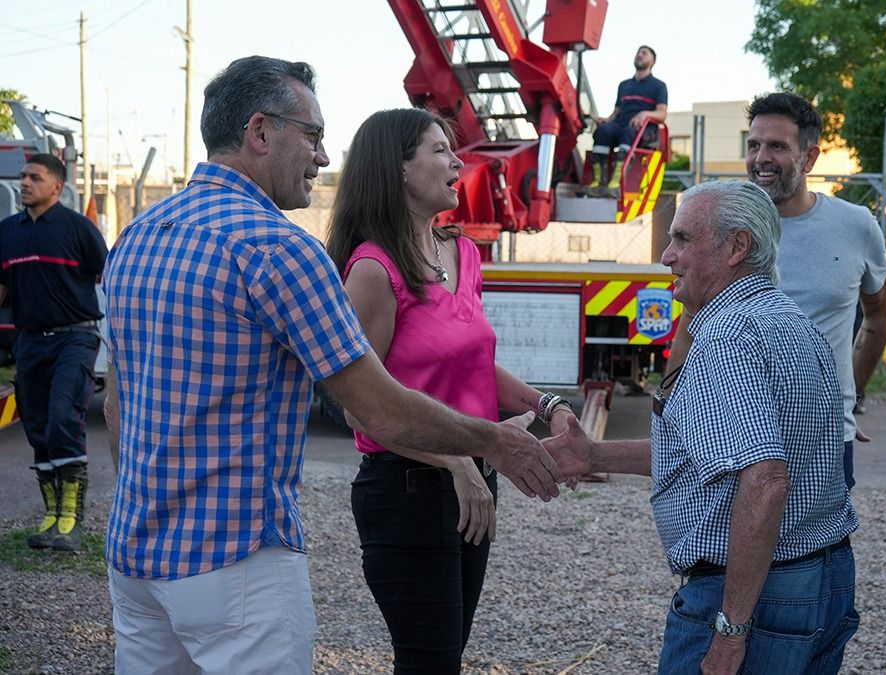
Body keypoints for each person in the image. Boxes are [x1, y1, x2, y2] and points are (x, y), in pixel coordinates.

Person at [102, 56, 562, 674]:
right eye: (313, 136)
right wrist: (493, 443)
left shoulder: (136, 237)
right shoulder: (279, 247)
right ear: (260, 132)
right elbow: (376, 408)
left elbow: (117, 404)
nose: (322, 157)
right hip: (237, 560)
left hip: (137, 555)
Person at [547, 180, 858, 674]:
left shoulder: (727, 337)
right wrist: (595, 456)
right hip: (818, 579)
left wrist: (731, 633)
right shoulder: (791, 320)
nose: (667, 256)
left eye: (683, 239)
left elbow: (765, 480)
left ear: (737, 247)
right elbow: (713, 453)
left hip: (757, 596)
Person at [325, 108, 579, 673]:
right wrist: (459, 460)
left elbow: (475, 364)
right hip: (407, 491)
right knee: (430, 664)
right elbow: (360, 410)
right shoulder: (373, 270)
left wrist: (549, 405)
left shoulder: (462, 253)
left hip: (474, 485)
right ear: (398, 168)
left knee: (447, 659)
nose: (458, 163)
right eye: (440, 150)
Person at [665, 92, 886, 490]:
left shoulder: (856, 226)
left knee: (819, 532)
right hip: (729, 435)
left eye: (777, 146)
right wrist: (668, 414)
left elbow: (879, 314)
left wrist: (847, 398)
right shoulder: (721, 226)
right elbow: (689, 325)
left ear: (809, 157)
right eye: (753, 145)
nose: (761, 158)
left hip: (822, 440)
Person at [0, 153, 107, 552]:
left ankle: (71, 522)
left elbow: (110, 276)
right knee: (37, 427)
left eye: (35, 177)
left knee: (64, 418)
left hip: (74, 338)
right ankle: (51, 518)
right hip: (29, 341)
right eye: (23, 176)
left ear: (57, 186)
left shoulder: (78, 228)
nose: (25, 183)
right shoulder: (7, 232)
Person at [580, 45, 668, 198]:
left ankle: (615, 185)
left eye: (644, 53)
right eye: (638, 52)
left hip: (643, 130)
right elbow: (616, 112)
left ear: (652, 62)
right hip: (621, 124)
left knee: (628, 132)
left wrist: (645, 114)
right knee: (602, 132)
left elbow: (662, 113)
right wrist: (606, 120)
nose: (639, 55)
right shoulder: (624, 85)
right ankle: (598, 183)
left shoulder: (659, 86)